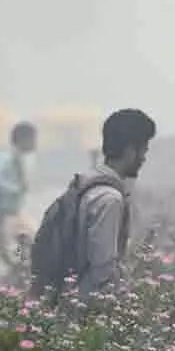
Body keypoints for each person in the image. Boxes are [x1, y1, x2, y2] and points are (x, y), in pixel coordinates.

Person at [74, 108, 156, 299]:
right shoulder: (110, 199)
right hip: (89, 307)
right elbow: (103, 268)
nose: (144, 158)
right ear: (130, 151)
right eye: (143, 150)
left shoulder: (85, 182)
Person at [0, 121, 39, 243]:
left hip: (14, 212)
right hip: (3, 214)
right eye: (32, 139)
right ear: (21, 140)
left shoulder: (23, 159)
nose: (35, 143)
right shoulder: (7, 158)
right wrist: (13, 189)